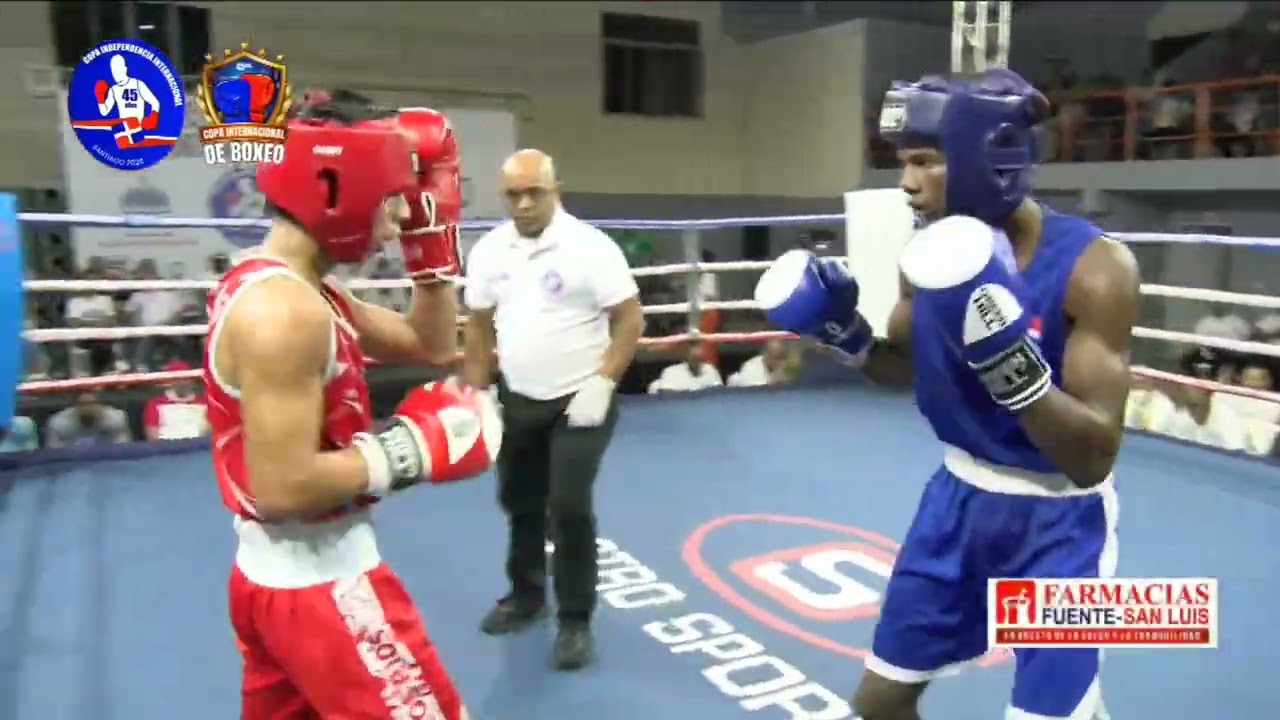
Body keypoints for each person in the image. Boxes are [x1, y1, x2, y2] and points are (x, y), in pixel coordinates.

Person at [756, 68, 1138, 720]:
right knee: (879, 704)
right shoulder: (928, 256)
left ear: (988, 160)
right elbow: (907, 370)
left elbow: (1092, 456)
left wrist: (1009, 364)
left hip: (1060, 524)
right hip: (957, 504)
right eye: (903, 163)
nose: (907, 184)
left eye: (926, 162)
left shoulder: (1095, 269)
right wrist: (848, 337)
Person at [204, 88, 500, 720]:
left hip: (276, 581)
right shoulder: (284, 311)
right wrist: (412, 449)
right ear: (337, 185)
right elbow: (282, 486)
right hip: (322, 586)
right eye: (391, 200)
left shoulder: (305, 289)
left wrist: (432, 246)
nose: (397, 221)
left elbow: (429, 344)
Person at [462, 148, 644, 670]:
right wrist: (477, 393)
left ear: (555, 190)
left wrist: (604, 381)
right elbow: (477, 325)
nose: (523, 204)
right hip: (518, 397)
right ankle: (526, 595)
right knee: (519, 498)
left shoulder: (591, 248)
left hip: (579, 401)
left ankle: (575, 620)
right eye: (513, 195)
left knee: (567, 505)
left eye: (533, 193)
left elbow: (629, 319)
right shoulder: (490, 251)